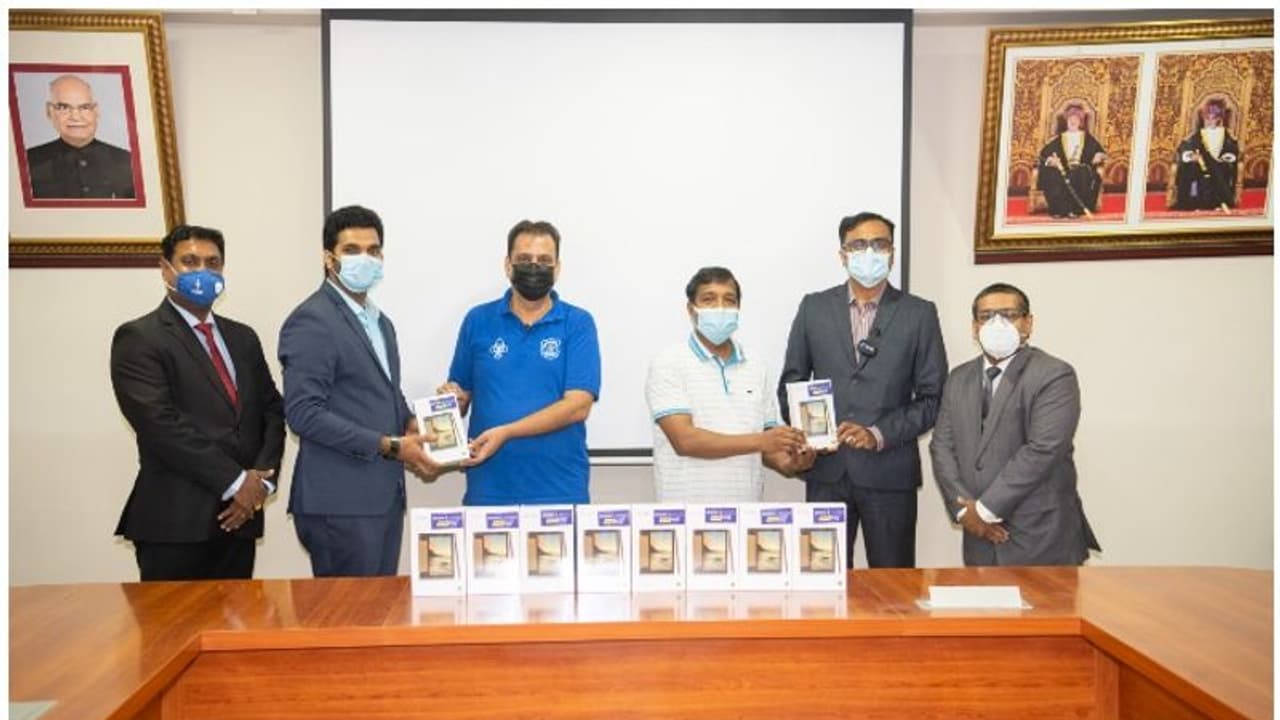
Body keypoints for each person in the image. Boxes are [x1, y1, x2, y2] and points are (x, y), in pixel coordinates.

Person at [110, 224, 284, 581]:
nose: (202, 271)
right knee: (171, 620)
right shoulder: (139, 337)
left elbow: (272, 411)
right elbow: (160, 425)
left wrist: (261, 484)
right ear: (165, 269)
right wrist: (237, 482)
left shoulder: (243, 337)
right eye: (190, 262)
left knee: (239, 618)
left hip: (241, 520)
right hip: (176, 523)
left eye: (212, 263)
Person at [279, 205, 444, 577]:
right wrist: (390, 445)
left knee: (378, 609)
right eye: (352, 250)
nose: (364, 259)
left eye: (373, 250)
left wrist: (411, 423)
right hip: (341, 502)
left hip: (382, 498)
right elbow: (304, 414)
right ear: (329, 258)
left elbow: (382, 394)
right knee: (347, 613)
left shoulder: (380, 322)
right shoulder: (312, 319)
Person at [778, 212, 947, 568]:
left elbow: (933, 398)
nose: (869, 252)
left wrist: (877, 434)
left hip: (890, 473)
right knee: (822, 580)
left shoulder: (919, 314)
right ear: (843, 255)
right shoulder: (813, 308)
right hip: (825, 470)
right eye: (858, 245)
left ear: (892, 253)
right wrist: (812, 435)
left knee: (894, 587)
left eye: (879, 244)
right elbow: (792, 383)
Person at [929, 283, 1099, 566]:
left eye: (1009, 315)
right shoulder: (959, 378)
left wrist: (983, 511)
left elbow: (1043, 449)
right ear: (974, 327)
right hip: (977, 539)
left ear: (1028, 323)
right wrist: (964, 511)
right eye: (986, 317)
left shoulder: (1054, 374)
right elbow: (941, 447)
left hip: (1040, 536)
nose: (997, 324)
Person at [439, 220, 601, 506]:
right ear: (508, 265)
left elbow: (578, 406)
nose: (534, 267)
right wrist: (452, 399)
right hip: (489, 486)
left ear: (557, 268)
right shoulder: (478, 320)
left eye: (544, 261)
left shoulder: (577, 323)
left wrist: (507, 432)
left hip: (560, 489)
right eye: (524, 259)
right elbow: (461, 397)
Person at [645, 266, 814, 502]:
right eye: (709, 299)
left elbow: (769, 446)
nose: (720, 308)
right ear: (691, 309)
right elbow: (685, 441)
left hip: (745, 511)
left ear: (738, 309)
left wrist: (793, 463)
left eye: (729, 300)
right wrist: (762, 441)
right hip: (685, 512)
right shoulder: (668, 362)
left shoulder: (756, 365)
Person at [26, 74, 135, 199]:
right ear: (49, 112)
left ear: (96, 111)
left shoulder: (127, 161)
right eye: (64, 107)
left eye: (85, 107)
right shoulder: (28, 162)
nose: (76, 117)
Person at [1035, 104, 1106, 218]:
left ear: (1080, 122)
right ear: (1066, 121)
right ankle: (1059, 210)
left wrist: (1098, 155)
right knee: (1052, 174)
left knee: (1081, 173)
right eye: (1070, 119)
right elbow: (1044, 155)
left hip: (1081, 171)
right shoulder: (1059, 139)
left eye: (1076, 119)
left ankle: (1076, 210)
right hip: (1062, 170)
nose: (1073, 121)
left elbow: (1100, 152)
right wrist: (1050, 160)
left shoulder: (1087, 138)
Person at [1172, 98, 1240, 211]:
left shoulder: (1226, 135)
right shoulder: (1198, 134)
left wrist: (1226, 156)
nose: (1209, 121)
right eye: (1207, 118)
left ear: (1219, 119)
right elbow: (1186, 147)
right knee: (1194, 171)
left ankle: (1219, 202)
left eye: (1213, 118)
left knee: (1220, 170)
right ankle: (1196, 203)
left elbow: (1232, 151)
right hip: (1200, 166)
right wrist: (1191, 156)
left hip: (1220, 166)